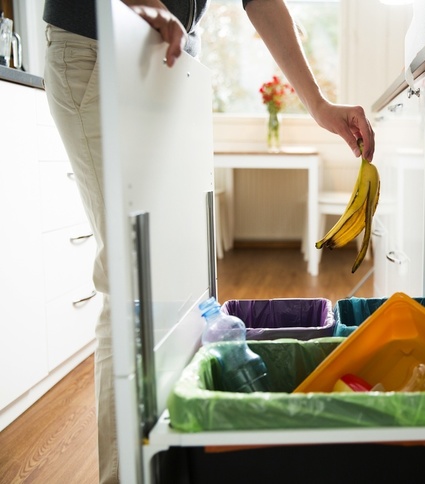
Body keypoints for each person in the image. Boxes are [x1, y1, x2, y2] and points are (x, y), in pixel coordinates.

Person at [42, 1, 376, 483]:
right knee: (133, 280)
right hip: (99, 44)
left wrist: (319, 106)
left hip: (165, 56)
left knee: (182, 279)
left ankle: (178, 459)